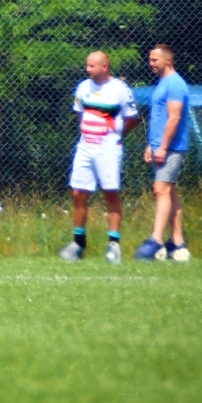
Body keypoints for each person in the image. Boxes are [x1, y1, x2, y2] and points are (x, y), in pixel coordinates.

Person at [62, 50, 140, 264]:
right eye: (87, 65)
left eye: (92, 66)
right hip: (85, 147)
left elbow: (132, 119)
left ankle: (114, 245)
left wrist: (114, 137)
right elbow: (80, 114)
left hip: (109, 150)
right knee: (78, 192)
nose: (87, 69)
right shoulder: (83, 87)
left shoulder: (120, 89)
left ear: (104, 67)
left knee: (110, 193)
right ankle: (78, 243)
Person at [137, 45, 192, 262]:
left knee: (161, 190)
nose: (150, 63)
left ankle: (156, 240)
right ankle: (177, 242)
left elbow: (174, 118)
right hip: (161, 146)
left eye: (154, 60)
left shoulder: (175, 84)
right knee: (169, 191)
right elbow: (159, 118)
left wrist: (163, 147)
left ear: (168, 60)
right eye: (150, 60)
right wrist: (152, 145)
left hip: (172, 147)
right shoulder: (162, 83)